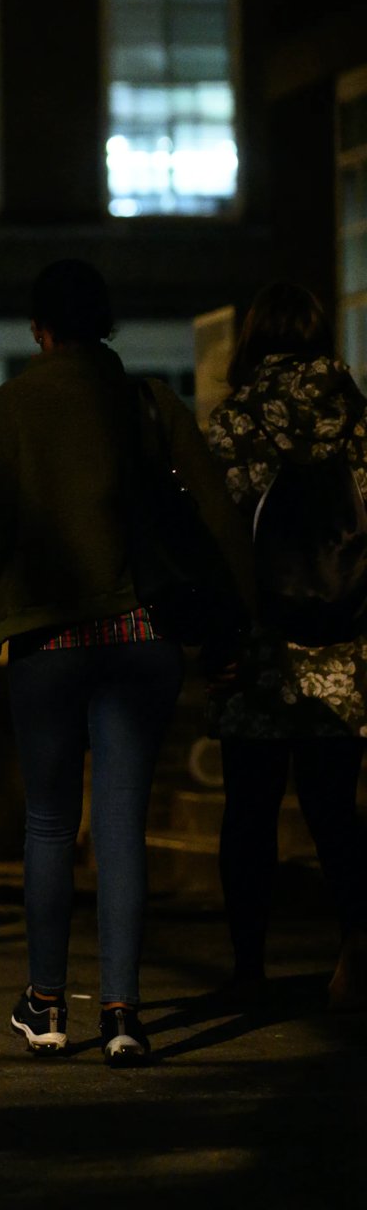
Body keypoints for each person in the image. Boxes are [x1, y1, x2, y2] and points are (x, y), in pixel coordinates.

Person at [0, 260, 249, 1065]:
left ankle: (44, 1003)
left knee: (47, 824)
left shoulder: (7, 413)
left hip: (49, 648)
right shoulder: (148, 404)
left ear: (40, 331)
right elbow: (217, 522)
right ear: (106, 327)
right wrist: (237, 633)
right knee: (122, 827)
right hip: (143, 640)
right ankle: (125, 1013)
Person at [203, 281, 367, 1010]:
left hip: (259, 650)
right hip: (347, 652)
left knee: (250, 809)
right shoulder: (359, 421)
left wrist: (216, 639)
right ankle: (355, 952)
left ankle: (248, 968)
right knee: (334, 808)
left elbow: (210, 542)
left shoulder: (236, 423)